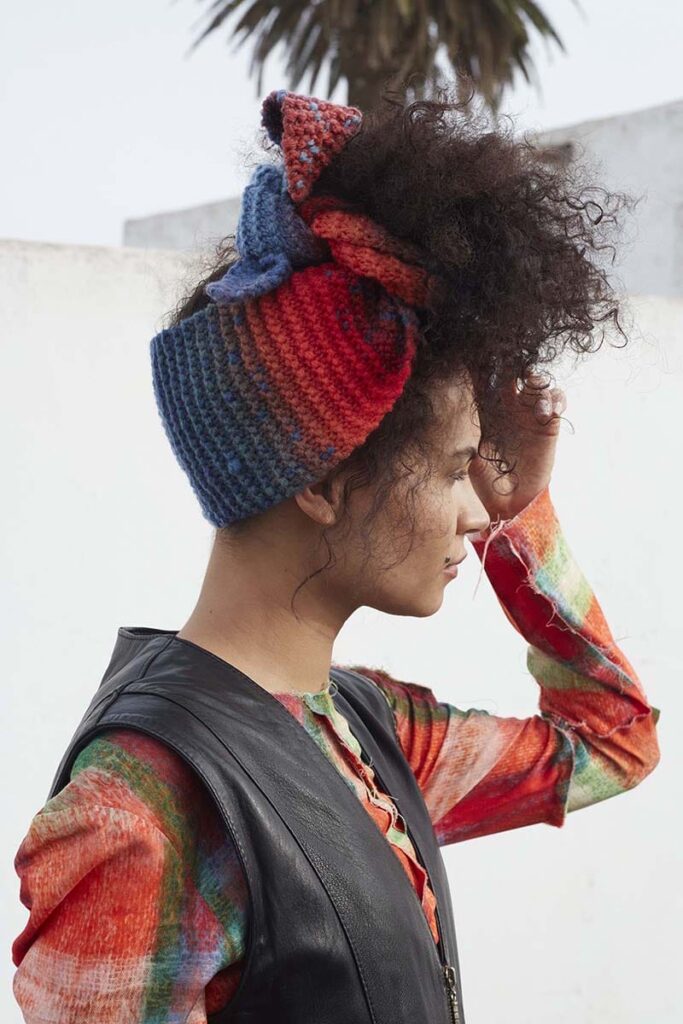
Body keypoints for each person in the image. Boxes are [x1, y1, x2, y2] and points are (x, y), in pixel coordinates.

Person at [11, 85, 660, 1023]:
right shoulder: (145, 811)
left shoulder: (367, 733)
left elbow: (612, 740)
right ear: (324, 480)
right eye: (454, 469)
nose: (475, 513)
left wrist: (521, 510)